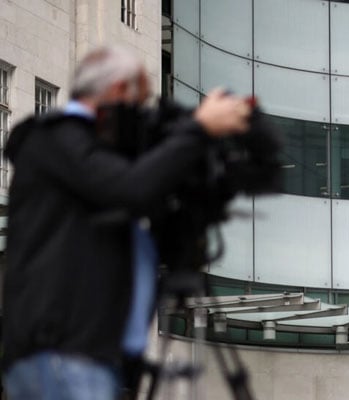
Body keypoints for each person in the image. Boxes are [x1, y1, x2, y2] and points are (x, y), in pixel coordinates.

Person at [1, 45, 252, 399]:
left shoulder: (93, 159)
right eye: (142, 102)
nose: (143, 116)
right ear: (119, 90)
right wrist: (198, 130)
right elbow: (130, 188)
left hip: (90, 356)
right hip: (64, 354)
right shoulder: (58, 138)